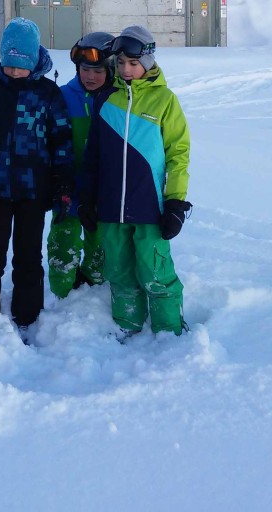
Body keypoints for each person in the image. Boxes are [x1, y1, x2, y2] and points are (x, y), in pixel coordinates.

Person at [0, 17, 73, 338]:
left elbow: (61, 141)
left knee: (28, 254)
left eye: (20, 65)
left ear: (34, 60)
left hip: (33, 191)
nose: (13, 71)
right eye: (9, 64)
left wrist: (63, 184)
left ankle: (27, 313)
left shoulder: (48, 93)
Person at [82, 25, 193, 339]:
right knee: (118, 271)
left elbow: (178, 154)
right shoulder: (106, 100)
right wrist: (87, 198)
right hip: (111, 208)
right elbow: (94, 156)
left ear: (147, 62)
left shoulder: (165, 101)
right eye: (121, 64)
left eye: (133, 64)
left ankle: (170, 329)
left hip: (150, 208)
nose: (127, 70)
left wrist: (175, 202)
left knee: (154, 271)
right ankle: (127, 323)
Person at [47, 32, 115, 299]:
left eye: (98, 71)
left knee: (100, 242)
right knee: (64, 240)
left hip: (101, 189)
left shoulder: (117, 100)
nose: (90, 76)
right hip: (66, 186)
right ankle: (61, 292)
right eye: (85, 69)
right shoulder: (63, 97)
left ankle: (94, 286)